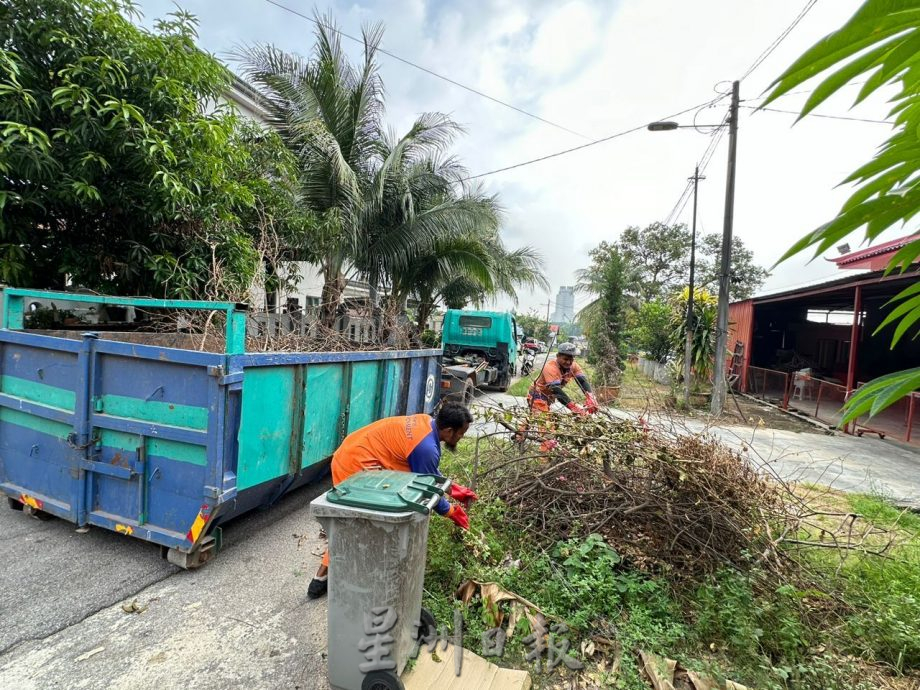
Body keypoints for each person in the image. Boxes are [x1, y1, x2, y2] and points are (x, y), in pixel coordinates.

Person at [307, 402, 476, 599]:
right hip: (355, 463)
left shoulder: (426, 423)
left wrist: (454, 490)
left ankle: (352, 572)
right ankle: (321, 579)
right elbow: (428, 489)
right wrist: (450, 512)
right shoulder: (426, 448)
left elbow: (427, 473)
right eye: (461, 433)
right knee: (355, 526)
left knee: (363, 526)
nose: (461, 438)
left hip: (356, 450)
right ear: (448, 430)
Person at [527, 342, 599, 415]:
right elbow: (556, 390)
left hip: (549, 396)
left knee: (536, 419)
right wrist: (573, 407)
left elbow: (582, 381)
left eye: (571, 359)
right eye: (565, 359)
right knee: (543, 422)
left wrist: (590, 397)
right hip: (537, 394)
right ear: (558, 356)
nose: (568, 362)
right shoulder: (550, 367)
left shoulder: (573, 366)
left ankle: (526, 426)